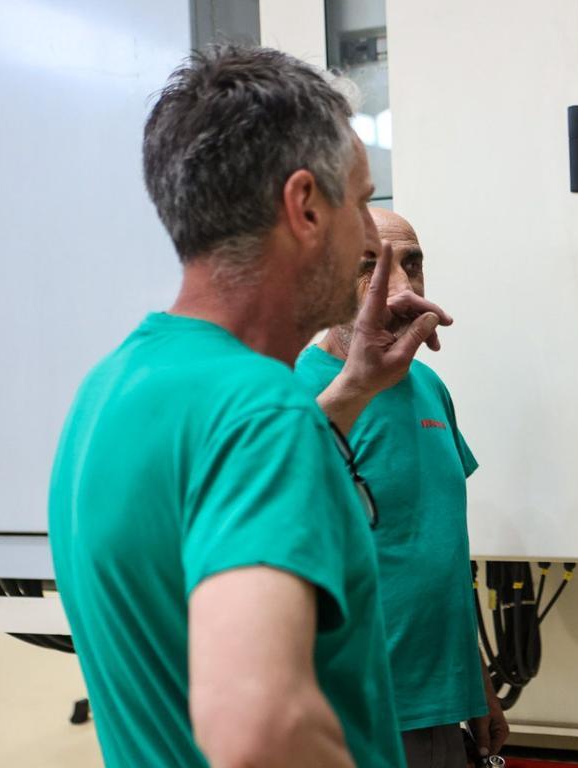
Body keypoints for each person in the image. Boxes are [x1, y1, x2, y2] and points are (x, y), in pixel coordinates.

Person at [48, 44, 449, 767]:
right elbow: (260, 727)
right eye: (361, 202)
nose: (370, 235)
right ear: (304, 207)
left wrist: (352, 389)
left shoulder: (109, 391)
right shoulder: (262, 412)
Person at [296, 209, 509, 768]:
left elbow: (438, 551)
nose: (401, 289)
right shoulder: (294, 393)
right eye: (371, 267)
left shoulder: (429, 387)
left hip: (442, 705)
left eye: (411, 265)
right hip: (351, 715)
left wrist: (477, 684)